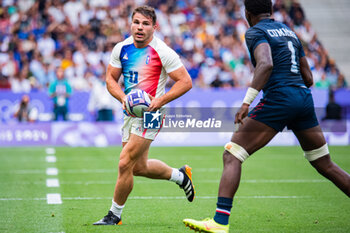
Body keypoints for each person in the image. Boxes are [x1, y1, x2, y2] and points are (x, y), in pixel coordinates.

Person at [183, 1, 350, 232]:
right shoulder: (290, 31)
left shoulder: (255, 31)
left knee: (232, 153)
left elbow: (266, 63)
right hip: (302, 98)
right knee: (325, 164)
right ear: (270, 11)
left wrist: (246, 102)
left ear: (247, 13)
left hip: (280, 98)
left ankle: (220, 222)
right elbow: (309, 78)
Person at [93, 5, 195, 226]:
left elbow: (186, 82)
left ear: (154, 27)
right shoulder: (121, 48)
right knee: (138, 167)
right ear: (131, 24)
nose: (140, 27)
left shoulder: (163, 52)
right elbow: (110, 79)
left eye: (145, 23)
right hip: (131, 112)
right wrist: (122, 98)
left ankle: (114, 215)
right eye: (136, 22)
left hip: (153, 114)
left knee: (124, 162)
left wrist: (160, 101)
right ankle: (180, 176)